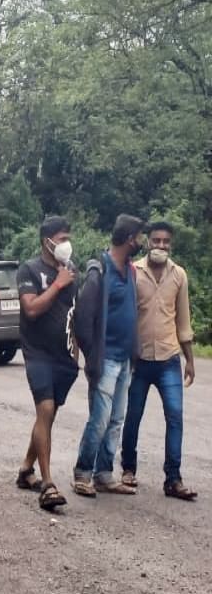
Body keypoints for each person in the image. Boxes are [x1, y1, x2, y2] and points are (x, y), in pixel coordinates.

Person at [121, 221, 198, 501]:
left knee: (175, 416)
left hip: (168, 360)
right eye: (156, 240)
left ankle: (173, 479)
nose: (161, 246)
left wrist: (189, 360)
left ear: (171, 244)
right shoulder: (133, 272)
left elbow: (183, 321)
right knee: (133, 416)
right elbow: (125, 315)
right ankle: (128, 470)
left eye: (166, 241)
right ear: (148, 242)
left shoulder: (179, 276)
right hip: (139, 360)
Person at [71, 214, 145, 497]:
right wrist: (92, 355)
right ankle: (82, 473)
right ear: (129, 239)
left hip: (125, 358)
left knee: (116, 420)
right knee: (99, 420)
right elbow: (83, 318)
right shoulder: (98, 271)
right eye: (139, 237)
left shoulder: (131, 270)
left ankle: (104, 474)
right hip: (106, 359)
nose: (141, 242)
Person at [14, 216, 79, 512]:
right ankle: (48, 483)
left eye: (68, 238)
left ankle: (26, 469)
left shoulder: (71, 271)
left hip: (64, 357)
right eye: (62, 238)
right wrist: (57, 283)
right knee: (46, 409)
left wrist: (79, 352)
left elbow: (74, 314)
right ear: (47, 241)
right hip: (37, 353)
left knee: (47, 417)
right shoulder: (29, 269)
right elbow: (31, 309)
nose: (66, 244)